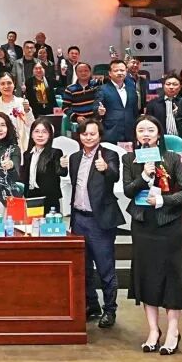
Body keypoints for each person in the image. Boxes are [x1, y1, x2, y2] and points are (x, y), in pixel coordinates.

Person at [122, 115, 182, 355]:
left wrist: (164, 200)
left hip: (168, 225)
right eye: (141, 130)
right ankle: (153, 330)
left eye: (150, 130)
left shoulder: (171, 158)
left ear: (159, 134)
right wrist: (144, 176)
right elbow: (128, 191)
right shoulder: (129, 159)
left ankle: (173, 330)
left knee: (171, 276)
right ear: (136, 135)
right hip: (143, 225)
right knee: (147, 276)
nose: (146, 134)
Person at [68, 117, 124, 328]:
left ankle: (110, 310)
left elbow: (114, 176)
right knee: (83, 267)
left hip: (100, 221)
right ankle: (92, 305)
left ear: (99, 135)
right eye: (84, 134)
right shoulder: (74, 158)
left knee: (105, 268)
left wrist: (105, 169)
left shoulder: (108, 154)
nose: (88, 137)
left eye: (92, 134)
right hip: (78, 219)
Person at [22, 118, 66, 214]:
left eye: (44, 132)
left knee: (50, 223)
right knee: (33, 223)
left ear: (50, 135)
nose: (40, 135)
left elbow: (62, 173)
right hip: (32, 197)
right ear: (31, 134)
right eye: (37, 131)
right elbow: (25, 177)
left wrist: (63, 165)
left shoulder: (55, 152)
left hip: (50, 198)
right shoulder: (27, 154)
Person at [96, 59, 140, 143]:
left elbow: (135, 112)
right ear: (110, 73)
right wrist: (99, 111)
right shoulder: (102, 89)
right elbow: (96, 107)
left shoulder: (132, 90)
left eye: (122, 70)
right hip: (111, 132)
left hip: (130, 133)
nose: (119, 73)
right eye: (116, 70)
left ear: (126, 71)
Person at [0, 72, 34, 144]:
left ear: (14, 84)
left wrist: (27, 110)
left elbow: (31, 124)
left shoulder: (22, 102)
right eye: (2, 84)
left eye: (9, 83)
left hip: (20, 142)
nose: (6, 86)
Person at [145, 75, 182, 140]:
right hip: (160, 140)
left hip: (181, 140)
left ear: (180, 87)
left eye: (175, 84)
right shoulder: (153, 104)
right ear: (163, 86)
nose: (171, 87)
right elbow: (149, 124)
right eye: (168, 84)